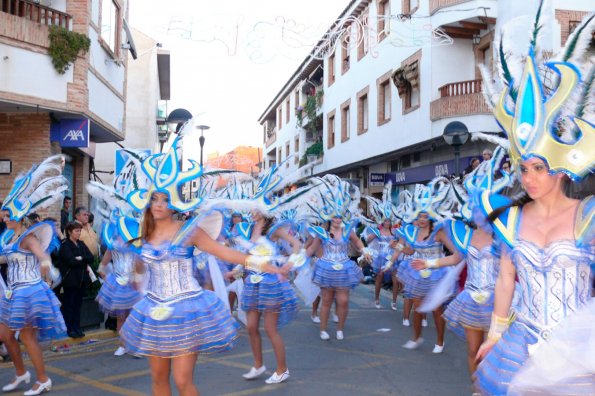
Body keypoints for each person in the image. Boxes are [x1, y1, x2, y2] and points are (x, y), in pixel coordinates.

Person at [473, 30, 594, 394]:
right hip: (522, 340)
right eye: (523, 168)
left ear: (559, 168)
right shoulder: (510, 218)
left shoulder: (588, 216)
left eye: (538, 168)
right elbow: (505, 279)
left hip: (578, 348)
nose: (528, 178)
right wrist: (495, 335)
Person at [118, 136, 287, 395]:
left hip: (187, 309)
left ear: (174, 203)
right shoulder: (145, 234)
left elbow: (225, 252)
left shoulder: (189, 231)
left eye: (165, 200)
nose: (160, 205)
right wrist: (132, 273)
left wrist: (264, 265)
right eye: (156, 199)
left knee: (183, 380)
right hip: (154, 309)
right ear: (148, 202)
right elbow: (142, 266)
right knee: (157, 378)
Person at [0, 154, 68, 395]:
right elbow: (6, 259)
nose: (4, 218)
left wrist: (47, 266)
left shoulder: (28, 238)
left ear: (18, 217)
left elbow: (43, 256)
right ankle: (21, 373)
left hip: (29, 292)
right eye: (3, 215)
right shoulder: (8, 238)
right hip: (12, 293)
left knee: (28, 338)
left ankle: (43, 379)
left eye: (8, 215)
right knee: (5, 336)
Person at [305, 175, 371, 341]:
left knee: (343, 301)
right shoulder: (322, 231)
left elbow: (357, 243)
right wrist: (296, 260)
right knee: (326, 301)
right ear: (329, 217)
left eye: (339, 216)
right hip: (326, 268)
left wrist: (365, 251)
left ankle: (340, 328)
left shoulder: (348, 230)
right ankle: (323, 329)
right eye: (334, 216)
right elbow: (312, 248)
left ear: (342, 217)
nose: (336, 219)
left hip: (344, 268)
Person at [239, 210, 301, 384]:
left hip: (270, 282)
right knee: (251, 326)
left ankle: (283, 370)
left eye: (255, 207)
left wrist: (290, 263)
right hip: (252, 282)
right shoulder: (249, 228)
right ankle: (258, 365)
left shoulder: (275, 229)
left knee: (270, 328)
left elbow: (296, 244)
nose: (251, 211)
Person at [58, 221, 94, 338]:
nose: (79, 233)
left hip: (81, 279)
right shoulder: (65, 246)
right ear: (69, 232)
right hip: (70, 280)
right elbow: (71, 262)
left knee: (78, 306)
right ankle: (70, 329)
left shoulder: (81, 244)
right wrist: (82, 261)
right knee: (69, 305)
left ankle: (77, 327)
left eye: (80, 231)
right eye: (76, 231)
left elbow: (91, 257)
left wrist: (81, 258)